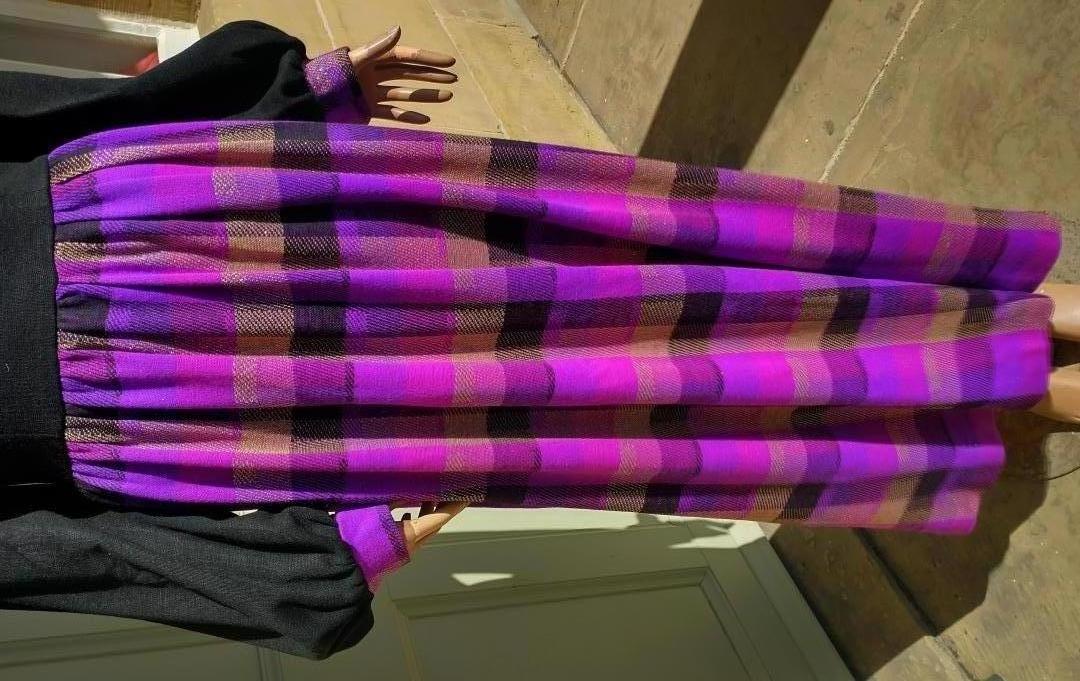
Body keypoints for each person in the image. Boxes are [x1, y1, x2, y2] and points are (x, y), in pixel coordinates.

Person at [1, 19, 1073, 657]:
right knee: (618, 387)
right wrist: (303, 566)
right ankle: (995, 376)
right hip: (170, 405)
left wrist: (272, 96)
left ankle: (1008, 311)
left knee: (634, 236)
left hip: (159, 212)